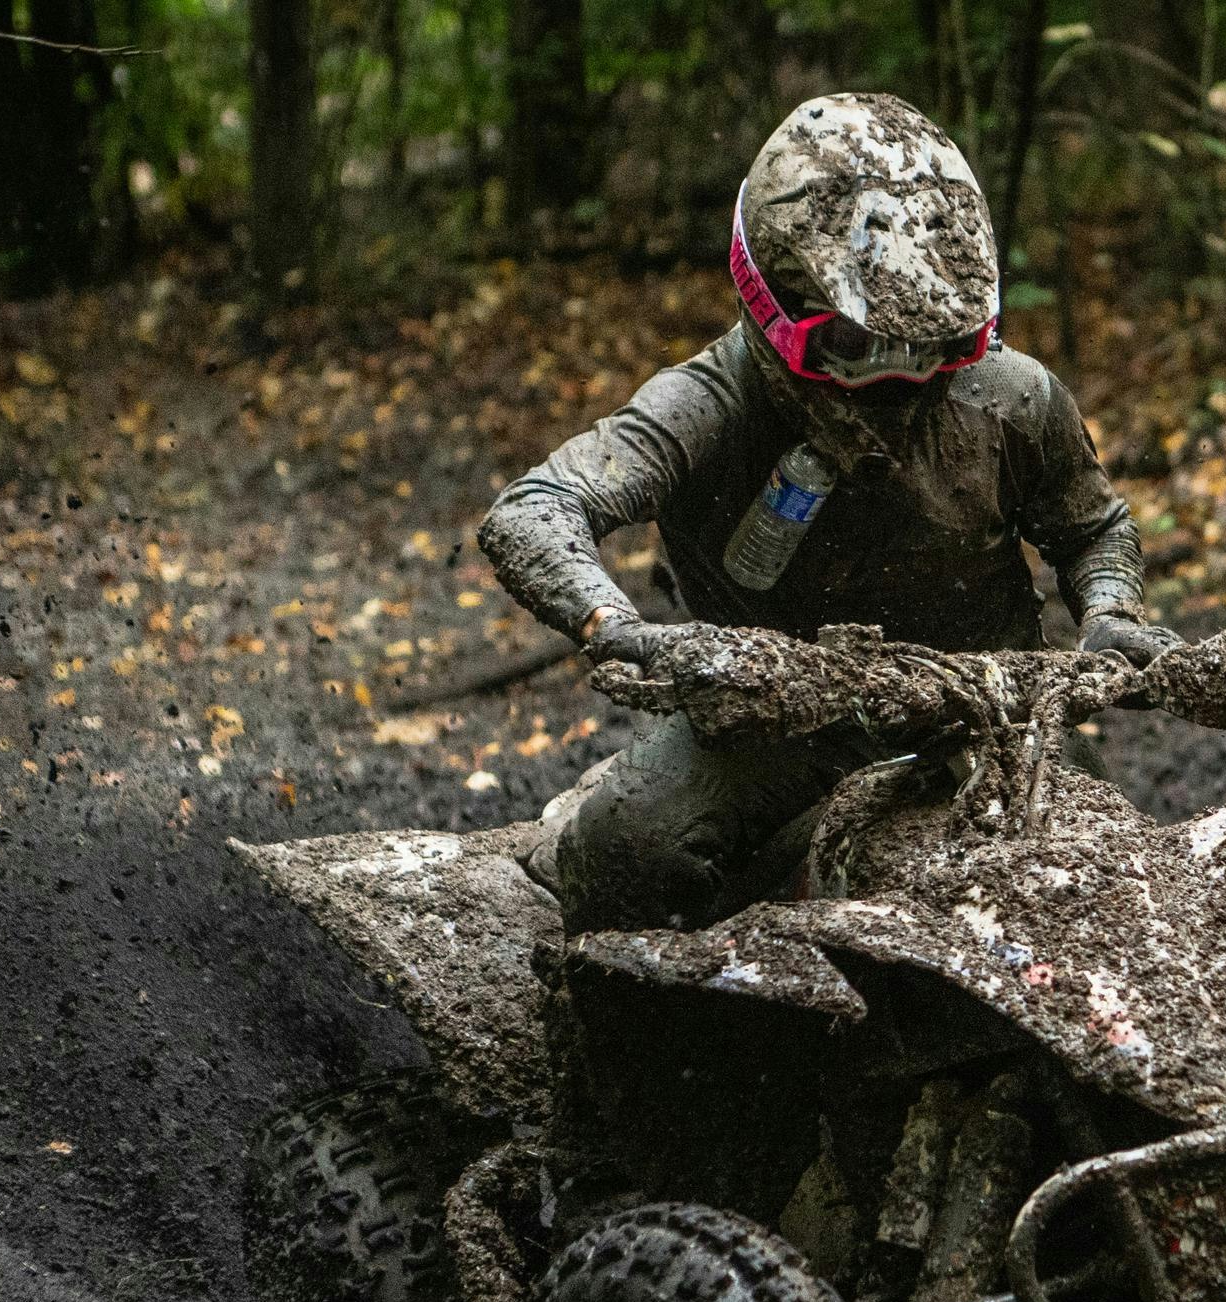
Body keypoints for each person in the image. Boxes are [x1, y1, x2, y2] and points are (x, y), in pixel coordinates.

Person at [479, 92, 1181, 934]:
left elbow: (1093, 527)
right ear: (768, 303)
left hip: (989, 705)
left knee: (1108, 886)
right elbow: (537, 507)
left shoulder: (1010, 400)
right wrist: (620, 630)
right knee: (624, 854)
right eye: (855, 350)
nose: (903, 379)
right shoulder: (708, 406)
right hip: (777, 727)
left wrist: (1109, 612)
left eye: (938, 350)